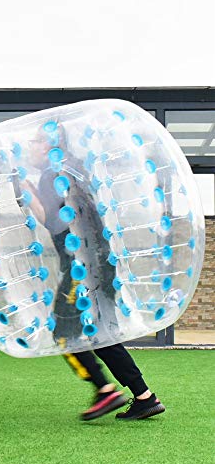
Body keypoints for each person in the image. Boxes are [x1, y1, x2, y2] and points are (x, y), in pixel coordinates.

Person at [24, 126, 166, 421]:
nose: (31, 147)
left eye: (36, 141)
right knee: (99, 332)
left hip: (81, 264)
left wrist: (26, 193)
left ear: (52, 144)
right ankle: (144, 396)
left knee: (63, 334)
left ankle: (104, 390)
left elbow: (54, 222)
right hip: (100, 260)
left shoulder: (52, 174)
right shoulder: (73, 169)